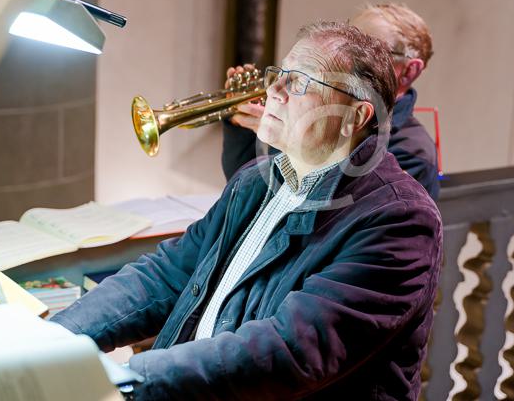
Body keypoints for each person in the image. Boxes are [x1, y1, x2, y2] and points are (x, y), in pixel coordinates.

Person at [52, 22, 442, 400]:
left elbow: (289, 351)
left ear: (355, 118)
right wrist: (54, 340)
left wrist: (124, 378)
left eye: (301, 82)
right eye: (279, 74)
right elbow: (166, 275)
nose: (273, 91)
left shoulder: (400, 221)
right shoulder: (255, 181)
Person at [222, 3, 440, 200]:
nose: (353, 53)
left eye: (374, 47)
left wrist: (290, 136)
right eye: (351, 38)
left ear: (410, 70)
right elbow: (245, 188)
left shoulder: (412, 153)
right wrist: (240, 126)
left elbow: (335, 213)